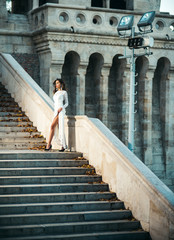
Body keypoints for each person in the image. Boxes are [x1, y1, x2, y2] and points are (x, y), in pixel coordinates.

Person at [45, 78, 68, 152]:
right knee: (54, 127)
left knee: (57, 127)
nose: (56, 84)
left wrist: (62, 107)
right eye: (55, 83)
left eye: (58, 83)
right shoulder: (55, 93)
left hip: (60, 111)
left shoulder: (64, 92)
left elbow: (67, 103)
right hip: (55, 111)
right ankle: (50, 144)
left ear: (61, 84)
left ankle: (50, 145)